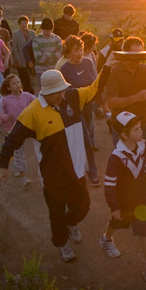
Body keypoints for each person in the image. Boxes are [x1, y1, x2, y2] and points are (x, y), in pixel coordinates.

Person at [0, 62, 114, 263]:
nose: (61, 95)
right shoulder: (33, 112)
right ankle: (61, 244)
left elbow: (95, 88)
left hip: (76, 170)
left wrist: (108, 65)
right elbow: (12, 140)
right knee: (56, 213)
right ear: (45, 92)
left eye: (62, 90)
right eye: (56, 92)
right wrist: (3, 166)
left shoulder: (73, 97)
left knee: (83, 206)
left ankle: (69, 224)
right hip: (52, 176)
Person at [100, 111, 146, 280]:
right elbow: (109, 184)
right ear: (124, 134)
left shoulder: (142, 146)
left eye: (140, 128)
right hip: (123, 202)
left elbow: (145, 167)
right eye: (136, 129)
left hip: (140, 199)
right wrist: (114, 206)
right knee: (118, 222)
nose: (141, 131)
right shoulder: (116, 157)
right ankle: (106, 239)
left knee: (144, 230)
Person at [103, 36, 146, 144]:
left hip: (141, 126)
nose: (137, 59)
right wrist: (137, 98)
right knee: (124, 160)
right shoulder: (114, 72)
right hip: (122, 126)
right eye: (134, 55)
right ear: (125, 53)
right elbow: (110, 103)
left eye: (140, 55)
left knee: (143, 160)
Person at [59, 35, 100, 186]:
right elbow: (63, 93)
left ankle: (77, 167)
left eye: (81, 49)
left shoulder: (89, 62)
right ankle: (92, 173)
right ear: (68, 51)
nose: (79, 53)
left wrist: (100, 104)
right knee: (87, 141)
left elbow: (95, 84)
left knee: (85, 137)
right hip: (76, 109)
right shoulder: (64, 69)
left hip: (90, 106)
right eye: (76, 50)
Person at [0, 74, 36, 187]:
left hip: (28, 127)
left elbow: (37, 103)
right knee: (18, 153)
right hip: (13, 130)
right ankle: (24, 177)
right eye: (14, 83)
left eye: (18, 82)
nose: (17, 85)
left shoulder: (27, 96)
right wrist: (5, 117)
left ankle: (17, 168)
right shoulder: (4, 100)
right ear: (8, 88)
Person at [11, 15, 37, 94]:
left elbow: (35, 46)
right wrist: (17, 60)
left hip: (31, 60)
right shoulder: (15, 34)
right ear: (19, 24)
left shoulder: (32, 33)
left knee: (31, 80)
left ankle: (27, 96)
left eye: (25, 23)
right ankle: (31, 95)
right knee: (25, 80)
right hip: (21, 60)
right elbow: (15, 49)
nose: (24, 25)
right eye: (22, 23)